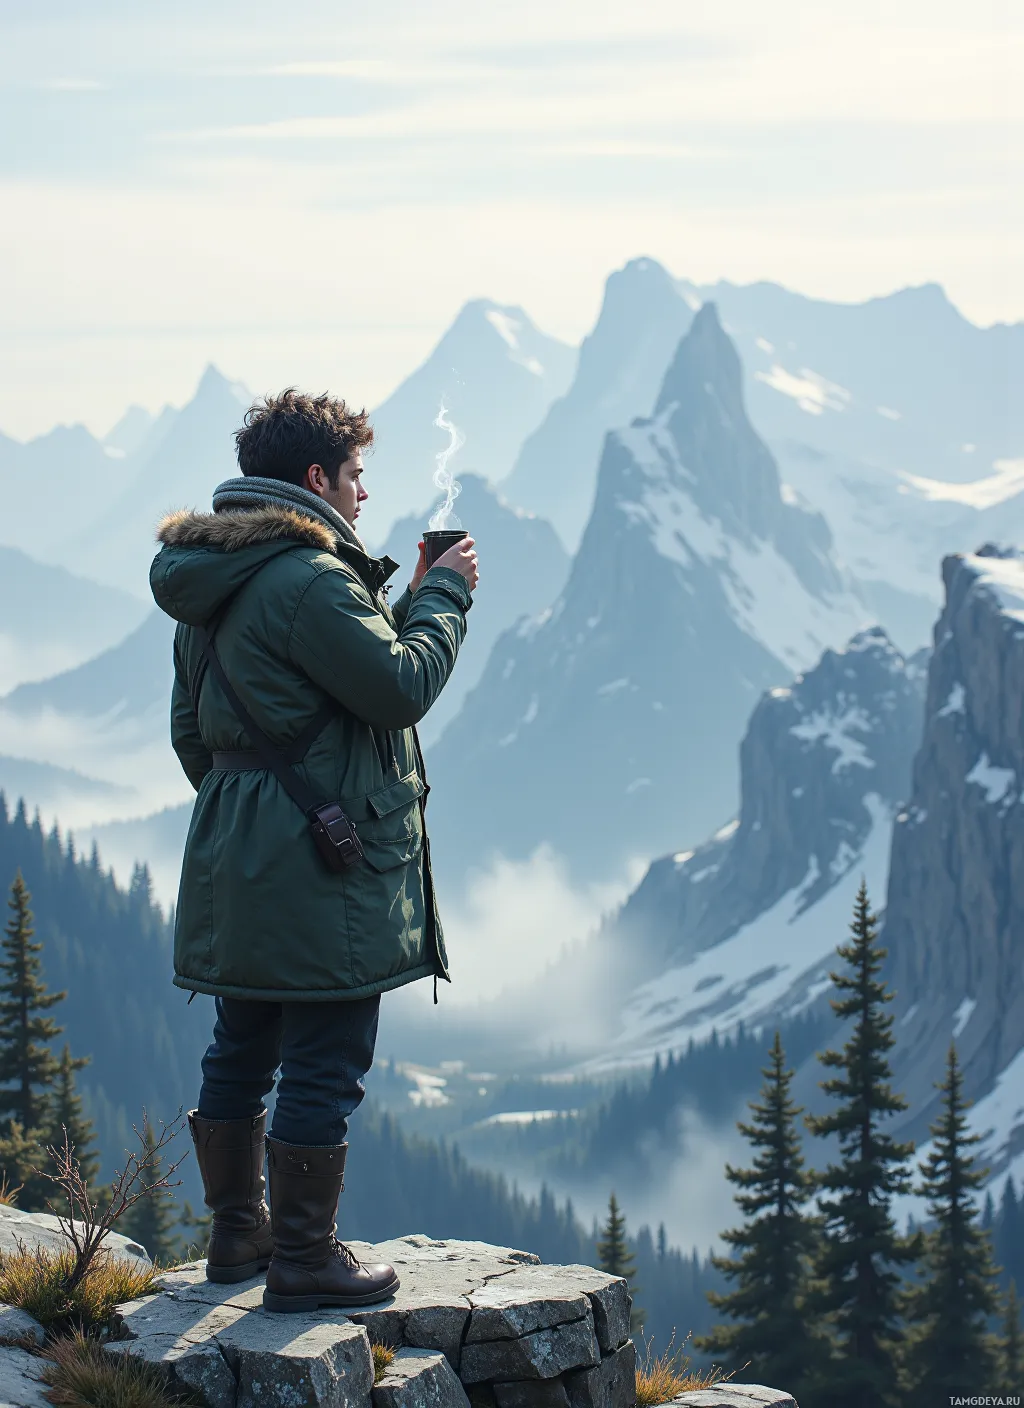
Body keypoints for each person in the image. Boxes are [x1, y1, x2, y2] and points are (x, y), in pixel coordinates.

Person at [149, 389, 477, 1312]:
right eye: (357, 475)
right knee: (328, 1052)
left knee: (242, 1040)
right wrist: (445, 595)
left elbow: (192, 736)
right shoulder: (312, 579)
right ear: (315, 479)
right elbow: (400, 686)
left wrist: (251, 819)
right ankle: (303, 1258)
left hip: (232, 860)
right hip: (324, 866)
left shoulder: (208, 583)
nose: (364, 494)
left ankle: (236, 1237)